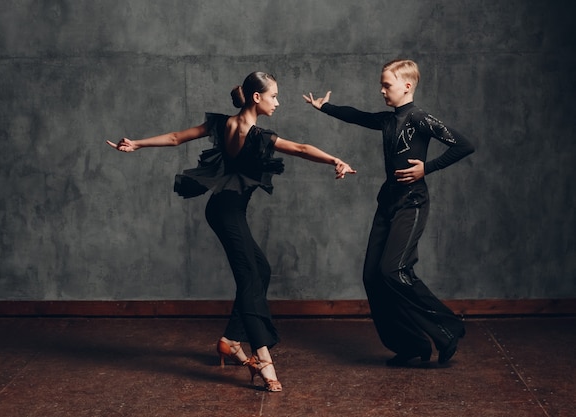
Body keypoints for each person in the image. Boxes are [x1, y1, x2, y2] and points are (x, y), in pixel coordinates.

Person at [107, 71, 356, 391]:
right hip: (226, 215)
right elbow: (302, 149)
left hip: (225, 210)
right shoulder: (258, 136)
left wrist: (137, 144)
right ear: (257, 97)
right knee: (250, 278)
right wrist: (336, 159)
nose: (278, 102)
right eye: (274, 96)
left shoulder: (225, 124)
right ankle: (263, 358)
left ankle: (231, 340)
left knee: (260, 271)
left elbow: (174, 138)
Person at [303, 59, 474, 366]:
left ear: (407, 86)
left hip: (413, 203)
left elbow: (463, 145)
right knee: (372, 276)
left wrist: (427, 168)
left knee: (393, 270)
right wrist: (325, 108)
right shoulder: (387, 120)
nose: (381, 90)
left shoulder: (420, 118)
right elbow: (358, 116)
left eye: (387, 85)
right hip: (389, 203)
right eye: (381, 84)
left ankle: (446, 329)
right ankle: (409, 344)